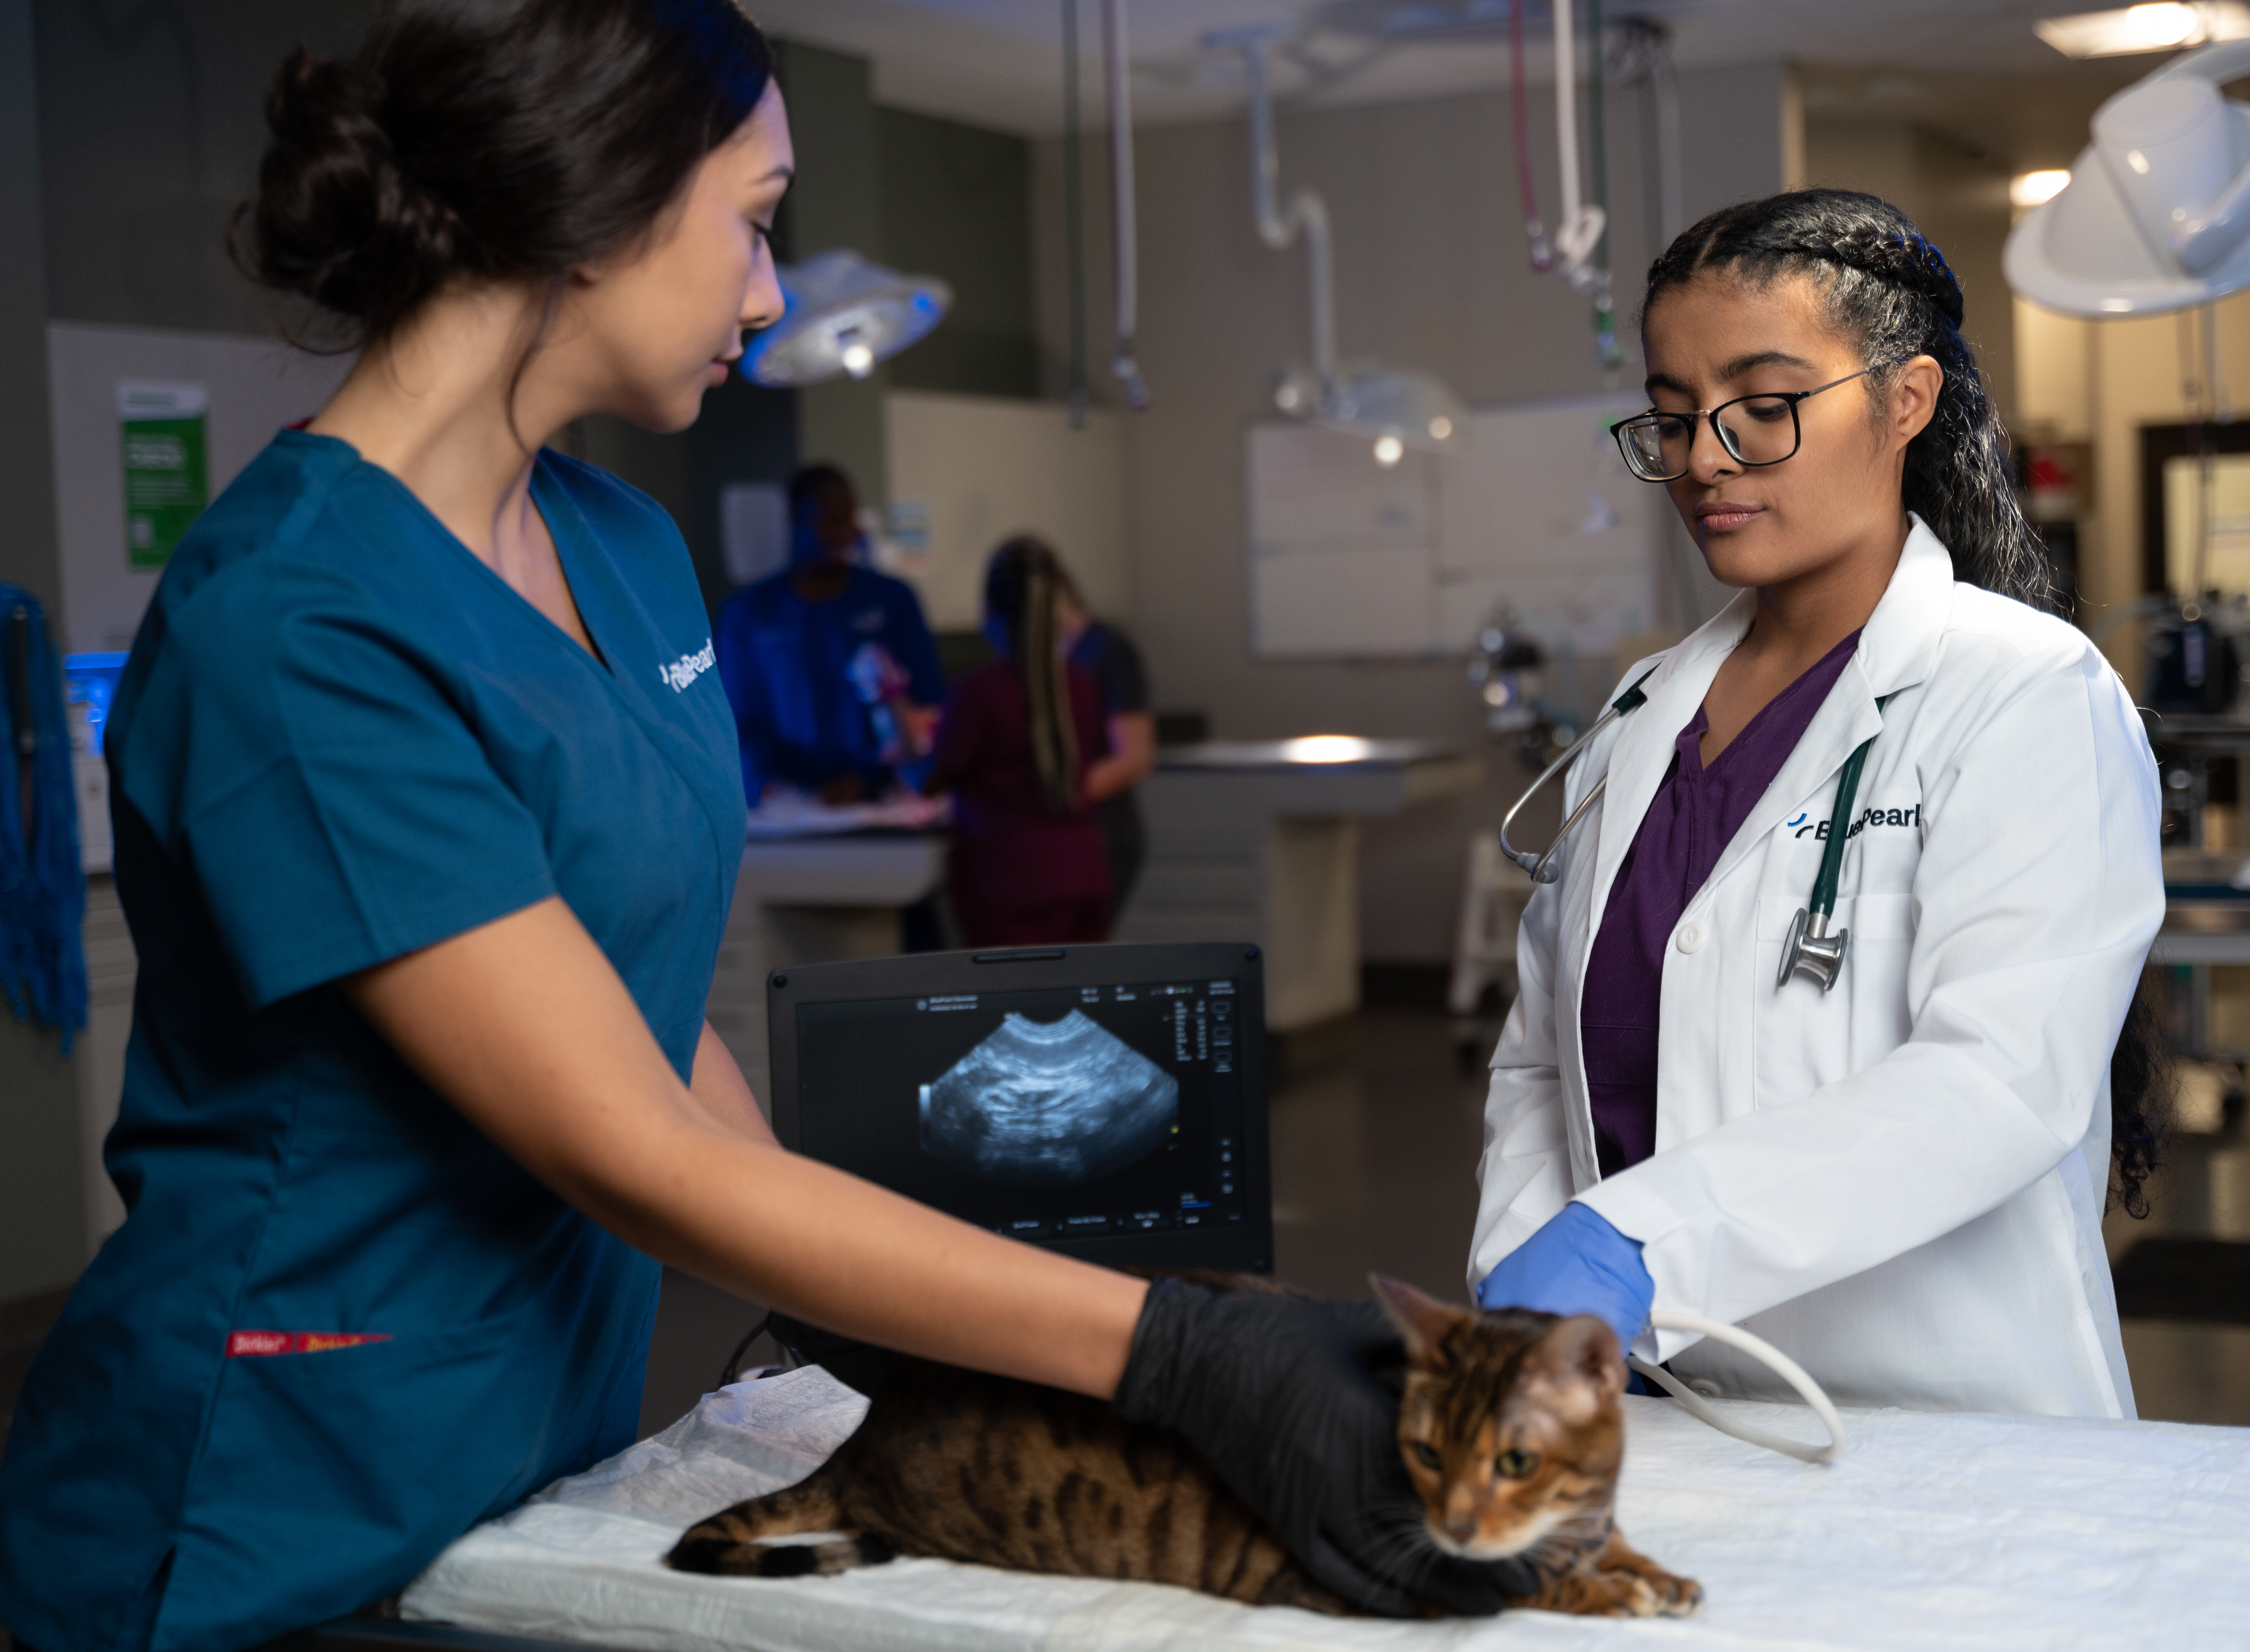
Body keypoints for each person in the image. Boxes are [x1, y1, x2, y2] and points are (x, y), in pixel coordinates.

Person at [0, 7, 1524, 1647]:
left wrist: (893, 1311)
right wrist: (1180, 1352)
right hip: (277, 1484)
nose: (769, 293)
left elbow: (655, 1040)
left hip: (545, 1436)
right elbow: (627, 1146)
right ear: (597, 196)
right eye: (758, 214)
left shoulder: (623, 544)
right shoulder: (299, 622)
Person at [1471, 190, 2167, 1420]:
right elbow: (1541, 1060)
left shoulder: (2024, 696)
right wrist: (1525, 1295)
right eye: (1675, 419)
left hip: (1945, 1431)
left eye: (1764, 409)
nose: (1702, 461)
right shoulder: (1644, 713)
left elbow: (2001, 1079)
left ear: (1905, 401)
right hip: (1650, 1418)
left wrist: (1638, 1245)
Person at [715, 463, 944, 805]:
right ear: (794, 519)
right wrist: (769, 787)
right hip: (785, 810)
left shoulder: (892, 600)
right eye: (827, 520)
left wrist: (867, 780)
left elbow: (925, 703)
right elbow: (737, 724)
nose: (842, 532)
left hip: (882, 802)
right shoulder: (748, 615)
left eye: (848, 519)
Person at [930, 539, 1116, 947]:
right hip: (1084, 875)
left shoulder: (979, 694)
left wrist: (889, 707)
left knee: (1012, 1008)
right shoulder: (1081, 687)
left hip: (1009, 884)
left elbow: (927, 780)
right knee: (1078, 1005)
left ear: (991, 610)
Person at [1059, 574, 1156, 920]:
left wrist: (1053, 798)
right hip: (1070, 837)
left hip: (1105, 833)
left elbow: (1134, 759)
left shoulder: (1108, 652)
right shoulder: (1056, 659)